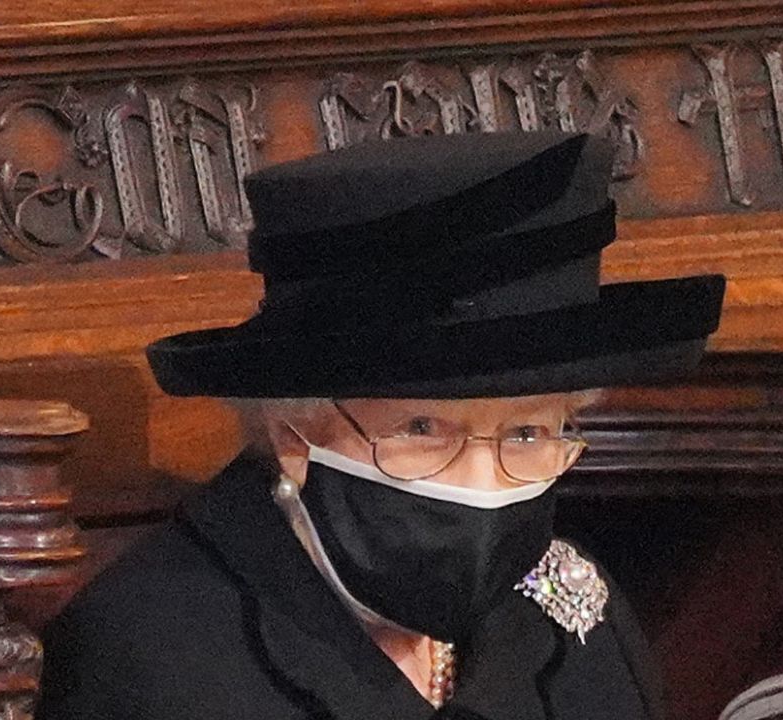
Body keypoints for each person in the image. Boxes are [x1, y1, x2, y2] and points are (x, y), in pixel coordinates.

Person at [36, 130, 725, 720]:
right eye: (424, 428)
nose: (482, 488)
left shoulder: (578, 625)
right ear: (292, 432)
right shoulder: (151, 663)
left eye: (526, 435)